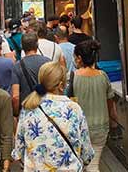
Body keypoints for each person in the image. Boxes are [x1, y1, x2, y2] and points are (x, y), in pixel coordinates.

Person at [12, 61, 94, 171]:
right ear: (61, 85)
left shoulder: (28, 108)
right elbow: (87, 153)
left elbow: (19, 151)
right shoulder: (74, 109)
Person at [69, 40, 117, 172]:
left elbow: (70, 104)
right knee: (93, 164)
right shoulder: (103, 76)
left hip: (80, 127)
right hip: (101, 127)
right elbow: (110, 103)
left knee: (82, 164)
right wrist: (114, 122)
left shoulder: (73, 77)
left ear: (79, 58)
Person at [13, 33, 52, 105]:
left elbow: (16, 96)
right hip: (46, 106)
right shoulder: (48, 62)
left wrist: (16, 113)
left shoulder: (17, 66)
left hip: (27, 108)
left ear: (22, 46)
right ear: (37, 45)